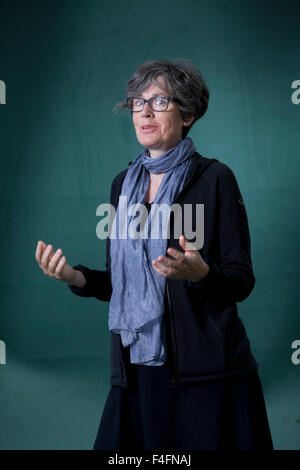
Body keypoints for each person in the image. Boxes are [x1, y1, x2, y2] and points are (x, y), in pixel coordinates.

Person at [35, 59, 274, 450]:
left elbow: (240, 280)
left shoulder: (215, 179)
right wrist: (74, 277)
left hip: (206, 374)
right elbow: (119, 283)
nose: (144, 111)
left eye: (161, 101)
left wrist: (202, 273)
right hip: (136, 370)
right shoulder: (122, 187)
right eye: (137, 101)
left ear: (189, 114)